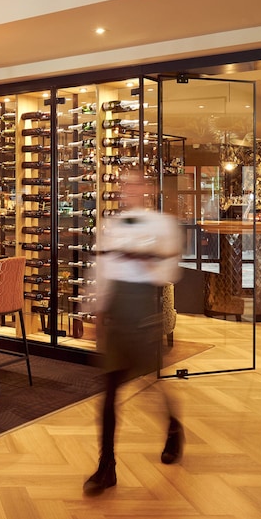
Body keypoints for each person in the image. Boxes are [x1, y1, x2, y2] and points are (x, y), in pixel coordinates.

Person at [83, 169, 185, 495]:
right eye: (124, 185)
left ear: (147, 189)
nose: (128, 189)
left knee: (150, 381)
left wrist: (146, 260)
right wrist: (97, 310)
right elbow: (101, 269)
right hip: (117, 310)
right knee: (110, 391)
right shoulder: (111, 225)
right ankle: (107, 466)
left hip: (143, 309)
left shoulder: (163, 225)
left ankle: (173, 427)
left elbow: (171, 270)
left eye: (135, 184)